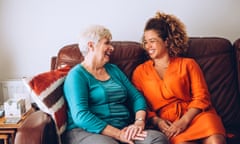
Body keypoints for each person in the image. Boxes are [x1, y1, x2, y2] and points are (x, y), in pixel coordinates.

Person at [62, 25, 168, 144]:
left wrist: (139, 122)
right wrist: (119, 135)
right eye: (107, 43)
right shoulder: (77, 75)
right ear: (91, 46)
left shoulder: (113, 70)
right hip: (88, 131)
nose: (111, 48)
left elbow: (136, 97)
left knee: (157, 139)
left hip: (123, 128)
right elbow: (81, 116)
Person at [132, 11, 226, 144]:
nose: (148, 46)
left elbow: (202, 97)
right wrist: (157, 121)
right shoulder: (140, 72)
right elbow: (140, 104)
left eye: (152, 41)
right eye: (145, 42)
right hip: (170, 123)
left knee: (216, 140)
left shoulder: (188, 64)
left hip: (196, 116)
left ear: (166, 41)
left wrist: (184, 121)